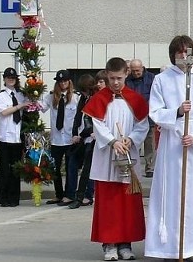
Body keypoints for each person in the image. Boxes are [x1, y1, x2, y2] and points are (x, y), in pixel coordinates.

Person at [144, 35, 193, 262]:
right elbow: (154, 111)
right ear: (173, 55)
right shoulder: (162, 80)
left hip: (192, 143)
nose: (184, 57)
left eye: (188, 53)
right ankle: (168, 247)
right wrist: (175, 112)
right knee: (172, 194)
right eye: (180, 53)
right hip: (171, 142)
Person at [83, 57, 149, 261]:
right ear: (106, 75)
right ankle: (109, 244)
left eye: (119, 78)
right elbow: (98, 125)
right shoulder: (100, 98)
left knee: (127, 202)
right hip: (107, 156)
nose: (115, 83)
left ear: (126, 74)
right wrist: (113, 142)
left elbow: (143, 125)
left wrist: (130, 139)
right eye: (111, 78)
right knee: (109, 202)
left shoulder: (135, 99)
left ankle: (125, 243)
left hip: (128, 154)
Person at [42, 70, 80, 205]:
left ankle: (69, 194)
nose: (63, 83)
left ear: (69, 81)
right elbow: (40, 107)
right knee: (55, 168)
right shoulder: (51, 97)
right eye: (60, 81)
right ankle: (58, 194)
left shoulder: (76, 97)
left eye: (65, 81)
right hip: (56, 139)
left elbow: (79, 117)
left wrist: (78, 134)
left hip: (70, 139)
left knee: (70, 168)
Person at [0, 67, 30, 207]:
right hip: (5, 137)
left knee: (16, 169)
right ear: (4, 79)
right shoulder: (1, 95)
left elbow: (29, 107)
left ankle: (14, 198)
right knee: (5, 168)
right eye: (8, 78)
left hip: (17, 136)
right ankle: (3, 198)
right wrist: (19, 106)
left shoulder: (21, 94)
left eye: (13, 78)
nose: (11, 80)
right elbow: (4, 112)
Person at [68, 74, 97, 209]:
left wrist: (83, 134)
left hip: (91, 137)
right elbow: (78, 117)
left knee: (88, 168)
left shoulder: (94, 99)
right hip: (83, 137)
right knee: (73, 163)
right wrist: (75, 134)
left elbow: (90, 121)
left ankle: (87, 195)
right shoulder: (83, 99)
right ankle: (74, 193)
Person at [126, 59, 156, 178]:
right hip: (133, 116)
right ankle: (133, 165)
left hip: (148, 116)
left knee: (149, 144)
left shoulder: (151, 78)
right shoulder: (128, 80)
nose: (135, 73)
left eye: (137, 71)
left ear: (142, 68)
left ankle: (150, 167)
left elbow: (155, 95)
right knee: (134, 142)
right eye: (133, 71)